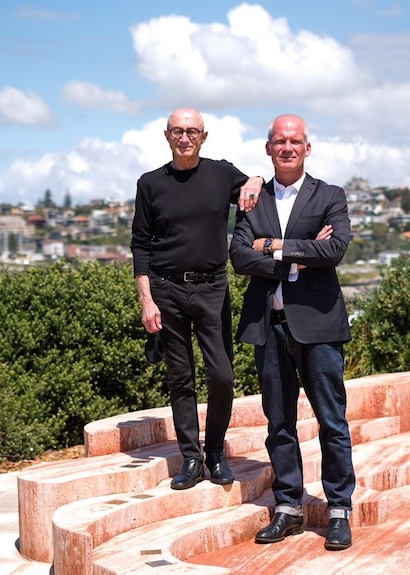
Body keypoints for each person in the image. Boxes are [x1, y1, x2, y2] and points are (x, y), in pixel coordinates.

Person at [229, 114, 356, 551]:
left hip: (318, 327)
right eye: (279, 141)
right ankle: (289, 508)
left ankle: (339, 509)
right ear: (268, 149)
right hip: (269, 326)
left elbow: (335, 249)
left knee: (332, 421)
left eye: (295, 141)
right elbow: (240, 257)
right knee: (278, 424)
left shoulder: (330, 195)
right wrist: (300, 255)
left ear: (307, 147)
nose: (287, 147)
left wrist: (274, 245)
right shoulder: (252, 200)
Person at [131, 107, 263, 490]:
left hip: (212, 287)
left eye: (192, 131)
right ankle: (191, 458)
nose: (184, 138)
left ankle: (216, 451)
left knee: (221, 375)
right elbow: (140, 244)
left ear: (203, 136)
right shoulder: (150, 183)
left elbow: (253, 185)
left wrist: (254, 179)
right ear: (167, 135)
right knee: (180, 377)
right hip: (166, 289)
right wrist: (146, 300)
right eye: (177, 131)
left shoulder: (221, 173)